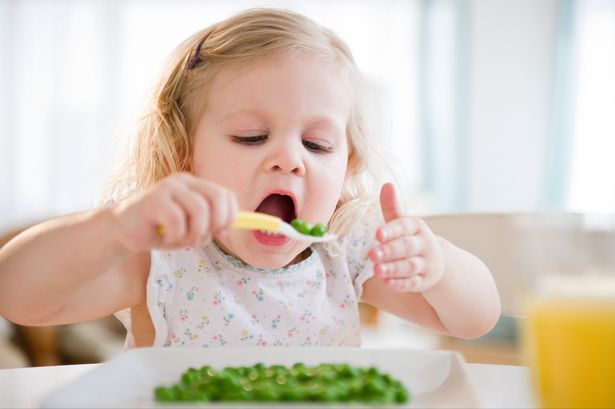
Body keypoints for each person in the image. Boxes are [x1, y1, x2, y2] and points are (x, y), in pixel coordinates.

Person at [0, 9, 500, 349]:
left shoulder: (345, 256)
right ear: (183, 156)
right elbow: (16, 295)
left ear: (347, 168)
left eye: (317, 144)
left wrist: (440, 266)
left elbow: (474, 320)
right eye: (251, 136)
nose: (289, 160)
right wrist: (112, 228)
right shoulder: (165, 262)